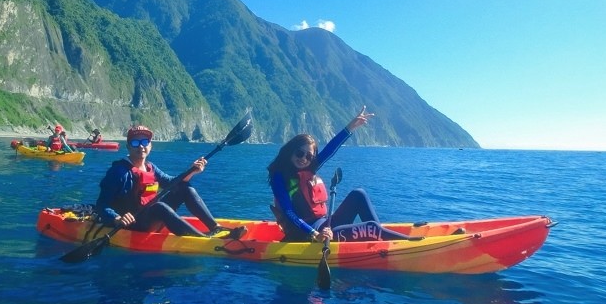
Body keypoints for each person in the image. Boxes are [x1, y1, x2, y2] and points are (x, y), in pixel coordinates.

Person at [267, 106, 410, 242]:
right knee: (370, 228)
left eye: (309, 157)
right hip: (306, 234)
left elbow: (329, 149)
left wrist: (350, 127)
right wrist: (315, 234)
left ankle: (380, 238)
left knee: (358, 194)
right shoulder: (279, 177)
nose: (304, 159)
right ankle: (400, 241)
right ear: (291, 151)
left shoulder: (309, 168)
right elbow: (288, 211)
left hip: (325, 226)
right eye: (299, 153)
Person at [94, 125, 243, 238]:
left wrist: (192, 170)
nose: (141, 146)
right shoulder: (118, 172)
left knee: (185, 188)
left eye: (145, 141)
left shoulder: (150, 167)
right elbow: (101, 204)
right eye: (135, 143)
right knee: (159, 206)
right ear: (128, 147)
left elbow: (173, 182)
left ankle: (215, 227)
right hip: (133, 224)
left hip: (151, 217)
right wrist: (117, 218)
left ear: (150, 146)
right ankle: (202, 239)